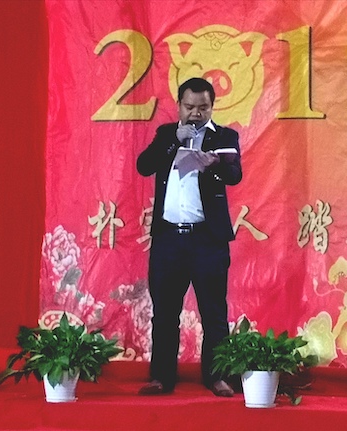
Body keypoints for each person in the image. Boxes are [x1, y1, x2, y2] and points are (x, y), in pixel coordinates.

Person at [136, 77, 242, 397]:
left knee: (214, 313)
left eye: (203, 107)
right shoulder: (166, 135)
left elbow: (234, 174)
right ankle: (161, 377)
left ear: (212, 107)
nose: (196, 113)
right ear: (179, 105)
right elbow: (144, 166)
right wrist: (174, 141)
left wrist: (213, 166)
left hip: (207, 241)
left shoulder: (224, 137)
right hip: (169, 239)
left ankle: (217, 377)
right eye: (190, 107)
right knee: (165, 313)